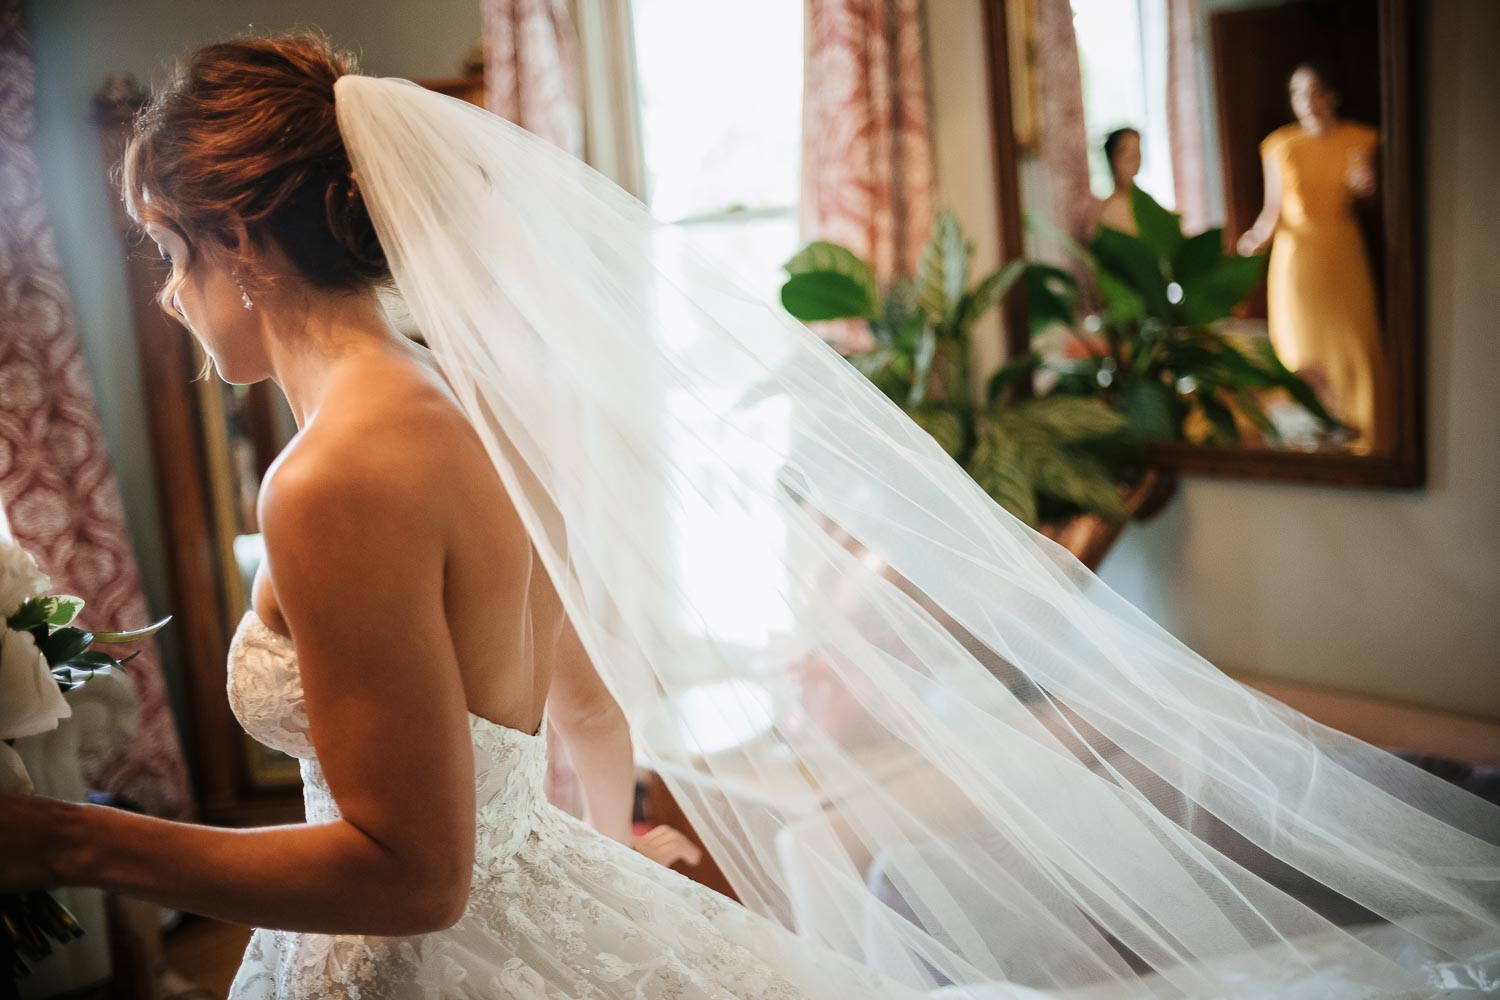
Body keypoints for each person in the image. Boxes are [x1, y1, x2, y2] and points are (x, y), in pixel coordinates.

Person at [3, 34, 1497, 999]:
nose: (168, 296)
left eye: (165, 252)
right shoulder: (464, 405)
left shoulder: (329, 478)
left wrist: (81, 841)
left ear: (245, 243)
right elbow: (576, 702)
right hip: (541, 903)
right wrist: (602, 843)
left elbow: (419, 870)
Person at [1237, 61, 1386, 453]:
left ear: (1332, 96)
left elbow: (1373, 197)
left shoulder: (1362, 138)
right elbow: (1272, 212)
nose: (1305, 101)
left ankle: (1367, 437)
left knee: (1354, 345)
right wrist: (1250, 245)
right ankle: (1307, 441)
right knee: (1302, 350)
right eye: (1297, 93)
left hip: (1342, 250)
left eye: (1313, 91)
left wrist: (1367, 189)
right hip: (1296, 260)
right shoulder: (1280, 145)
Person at [1095, 127, 1142, 235]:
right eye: (1128, 156)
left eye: (1137, 154)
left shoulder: (1144, 203)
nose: (1135, 162)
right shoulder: (1110, 210)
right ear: (1113, 159)